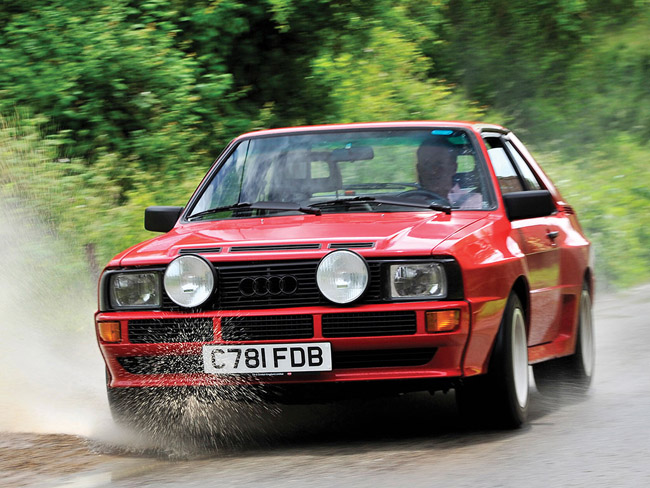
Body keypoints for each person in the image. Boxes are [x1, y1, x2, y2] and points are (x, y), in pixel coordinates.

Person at [416, 136, 483, 209]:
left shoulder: (473, 202)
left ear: (454, 168)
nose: (433, 171)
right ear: (419, 169)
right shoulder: (406, 202)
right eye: (426, 164)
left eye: (439, 164)